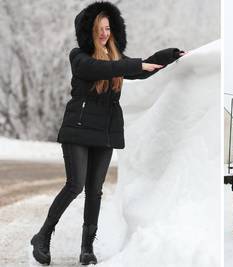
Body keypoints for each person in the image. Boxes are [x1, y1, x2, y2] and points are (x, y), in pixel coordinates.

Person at [30, 2, 185, 265]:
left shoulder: (116, 60)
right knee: (75, 185)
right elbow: (101, 69)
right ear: (88, 31)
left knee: (95, 191)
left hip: (104, 132)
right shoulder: (79, 56)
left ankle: (87, 248)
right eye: (99, 28)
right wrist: (134, 65)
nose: (104, 33)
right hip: (78, 129)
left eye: (108, 28)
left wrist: (169, 55)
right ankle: (43, 236)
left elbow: (142, 68)